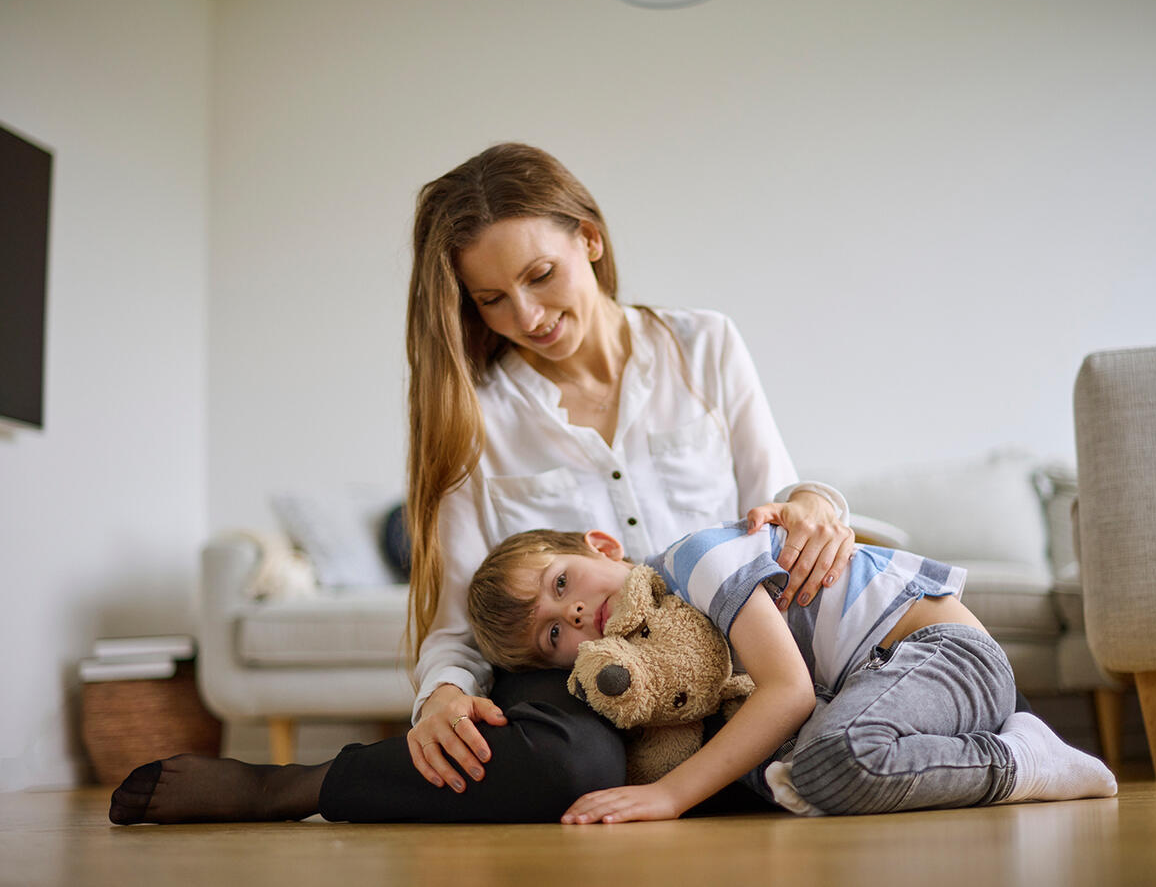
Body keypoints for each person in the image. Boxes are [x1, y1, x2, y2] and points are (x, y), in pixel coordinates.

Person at [108, 143, 853, 825]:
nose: (526, 317)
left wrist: (818, 507)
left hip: (716, 649)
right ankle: (293, 787)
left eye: (539, 276)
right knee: (573, 762)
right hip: (567, 668)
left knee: (820, 725)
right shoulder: (472, 411)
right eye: (492, 299)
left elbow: (778, 508)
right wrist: (444, 696)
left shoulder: (704, 345)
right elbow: (458, 620)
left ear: (588, 239)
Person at [465, 524, 1118, 823]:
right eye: (555, 632)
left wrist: (668, 797)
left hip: (945, 653)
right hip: (874, 683)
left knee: (832, 761)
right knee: (793, 775)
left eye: (561, 582)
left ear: (600, 545)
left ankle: (1024, 760)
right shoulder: (664, 644)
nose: (575, 612)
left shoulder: (693, 561)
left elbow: (790, 691)